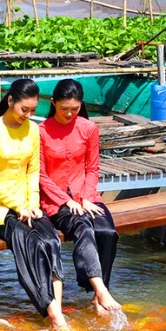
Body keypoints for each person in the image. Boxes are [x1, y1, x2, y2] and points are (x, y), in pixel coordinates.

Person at [0, 79, 68, 330]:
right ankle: (53, 314)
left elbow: (33, 171)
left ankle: (56, 308)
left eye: (32, 111)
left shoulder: (32, 130)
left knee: (50, 240)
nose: (27, 115)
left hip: (28, 206)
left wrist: (34, 205)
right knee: (30, 242)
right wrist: (18, 206)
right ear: (10, 101)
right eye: (23, 110)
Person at [39, 79, 121, 314]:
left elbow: (92, 168)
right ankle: (102, 290)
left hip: (87, 195)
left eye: (74, 109)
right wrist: (67, 201)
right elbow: (41, 175)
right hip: (56, 200)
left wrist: (85, 198)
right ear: (53, 103)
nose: (69, 114)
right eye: (64, 108)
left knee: (107, 232)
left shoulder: (88, 128)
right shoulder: (41, 132)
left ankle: (97, 296)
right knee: (83, 227)